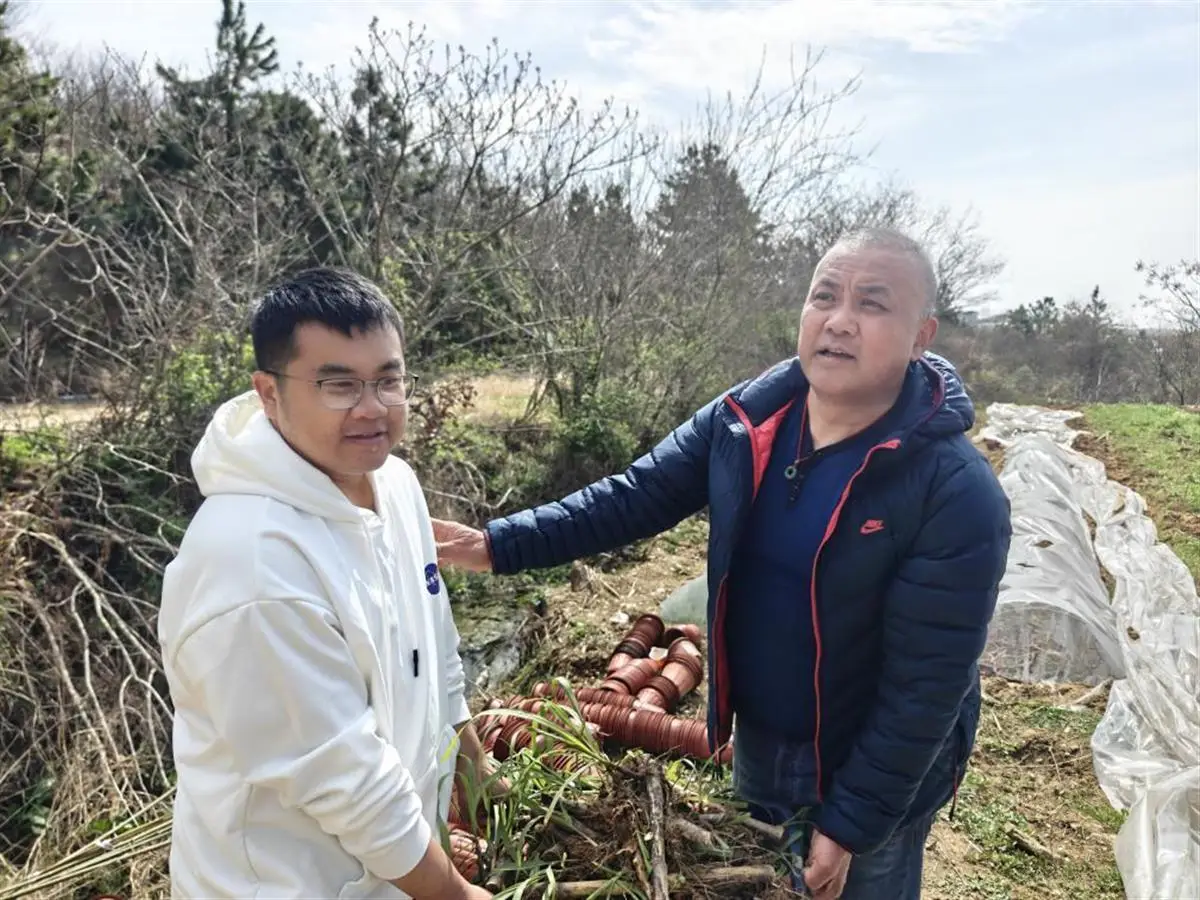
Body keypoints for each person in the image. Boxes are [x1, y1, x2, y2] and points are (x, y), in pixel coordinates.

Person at [432, 227, 1012, 899]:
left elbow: (925, 688)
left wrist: (851, 824)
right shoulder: (746, 422)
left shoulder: (955, 490)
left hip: (871, 759)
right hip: (763, 737)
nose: (839, 321)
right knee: (762, 883)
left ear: (921, 337)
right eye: (824, 296)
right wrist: (494, 545)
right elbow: (632, 497)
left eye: (873, 304)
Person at [157, 267, 496, 900]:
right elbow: (342, 773)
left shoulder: (396, 485)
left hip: (393, 873)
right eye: (338, 384)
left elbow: (437, 652)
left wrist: (479, 778)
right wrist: (456, 894)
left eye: (388, 380)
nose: (372, 408)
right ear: (269, 392)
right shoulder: (253, 561)